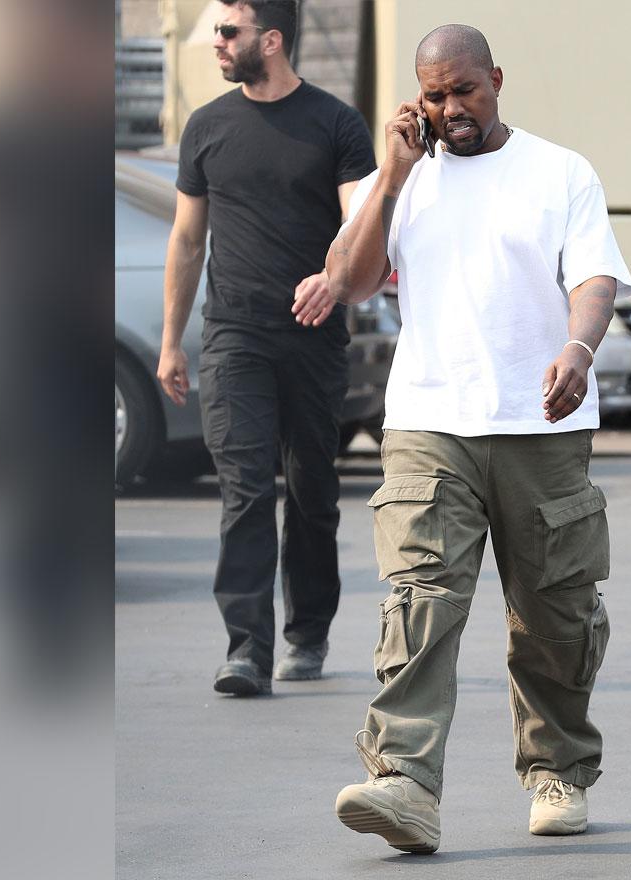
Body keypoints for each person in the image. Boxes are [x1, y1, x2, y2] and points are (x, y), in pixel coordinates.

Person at [325, 23, 631, 853]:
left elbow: (594, 277)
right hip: (429, 418)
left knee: (553, 613)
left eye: (465, 90)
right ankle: (405, 783)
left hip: (542, 422)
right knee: (421, 601)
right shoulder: (399, 179)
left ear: (496, 78)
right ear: (416, 97)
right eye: (435, 95)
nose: (452, 108)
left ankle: (558, 769)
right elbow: (352, 281)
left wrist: (578, 346)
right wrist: (389, 175)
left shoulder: (559, 170)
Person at [158, 0, 376, 695]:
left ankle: (306, 632)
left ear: (271, 40)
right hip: (234, 337)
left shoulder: (336, 124)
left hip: (314, 339)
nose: (216, 44)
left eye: (228, 32)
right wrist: (172, 341)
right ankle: (246, 648)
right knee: (245, 490)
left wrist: (332, 278)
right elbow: (189, 240)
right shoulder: (208, 127)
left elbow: (360, 222)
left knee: (311, 492)